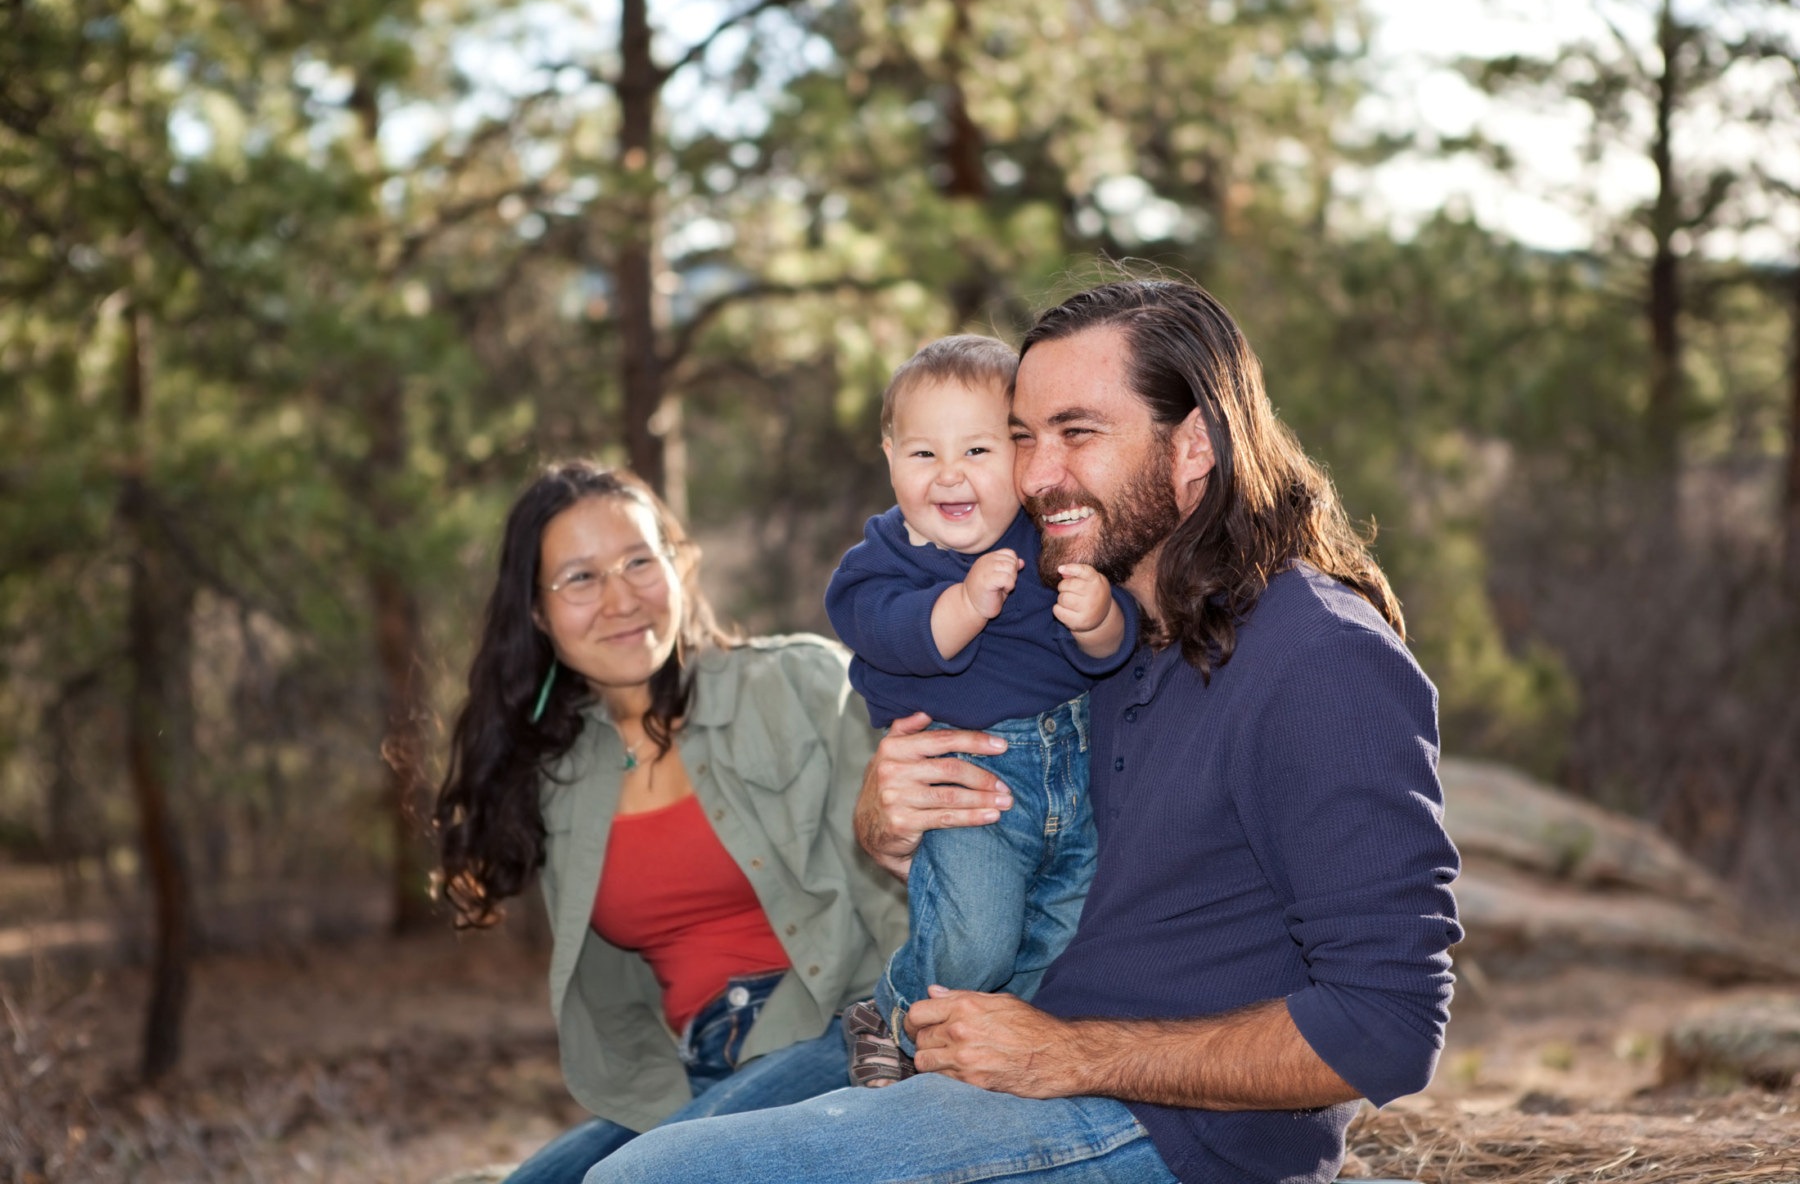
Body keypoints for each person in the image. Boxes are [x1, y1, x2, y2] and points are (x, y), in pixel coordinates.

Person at [583, 278, 1462, 1184]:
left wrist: (1072, 1056)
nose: (1037, 475)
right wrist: (886, 824)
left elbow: (1389, 1027)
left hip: (1158, 1130)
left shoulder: (1320, 659)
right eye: (1023, 436)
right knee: (587, 1168)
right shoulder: (1086, 632)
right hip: (994, 1047)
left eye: (1077, 433)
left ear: (1195, 444)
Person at [433, 462, 909, 1184]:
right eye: (581, 579)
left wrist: (922, 1029)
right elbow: (616, 997)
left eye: (637, 562)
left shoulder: (800, 684)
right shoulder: (558, 776)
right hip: (692, 1074)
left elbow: (911, 877)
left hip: (840, 1032)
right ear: (536, 612)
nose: (621, 600)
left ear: (678, 567)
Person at [825, 333, 1137, 1085]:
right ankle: (893, 1011)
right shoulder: (879, 566)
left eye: (979, 452)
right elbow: (902, 638)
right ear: (889, 455)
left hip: (1077, 769)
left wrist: (1097, 616)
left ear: (1022, 460)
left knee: (1065, 934)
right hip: (972, 782)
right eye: (923, 454)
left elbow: (1110, 652)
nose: (949, 476)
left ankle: (964, 1057)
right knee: (978, 940)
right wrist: (964, 603)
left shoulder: (1050, 541)